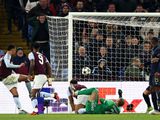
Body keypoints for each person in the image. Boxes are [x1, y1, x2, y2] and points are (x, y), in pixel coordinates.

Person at [0, 44, 32, 114]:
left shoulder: (7, 56)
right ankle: (31, 94)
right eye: (15, 50)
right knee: (26, 77)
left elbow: (8, 67)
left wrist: (14, 73)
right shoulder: (7, 55)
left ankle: (20, 109)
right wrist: (19, 66)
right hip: (7, 77)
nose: (15, 51)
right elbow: (8, 65)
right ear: (12, 50)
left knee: (15, 94)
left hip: (5, 79)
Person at [28, 43, 58, 115]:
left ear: (32, 48)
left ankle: (36, 110)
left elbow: (32, 63)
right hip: (43, 77)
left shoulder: (31, 54)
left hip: (39, 76)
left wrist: (29, 74)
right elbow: (49, 67)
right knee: (38, 94)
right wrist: (49, 79)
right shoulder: (44, 56)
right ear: (39, 49)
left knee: (32, 94)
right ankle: (53, 96)